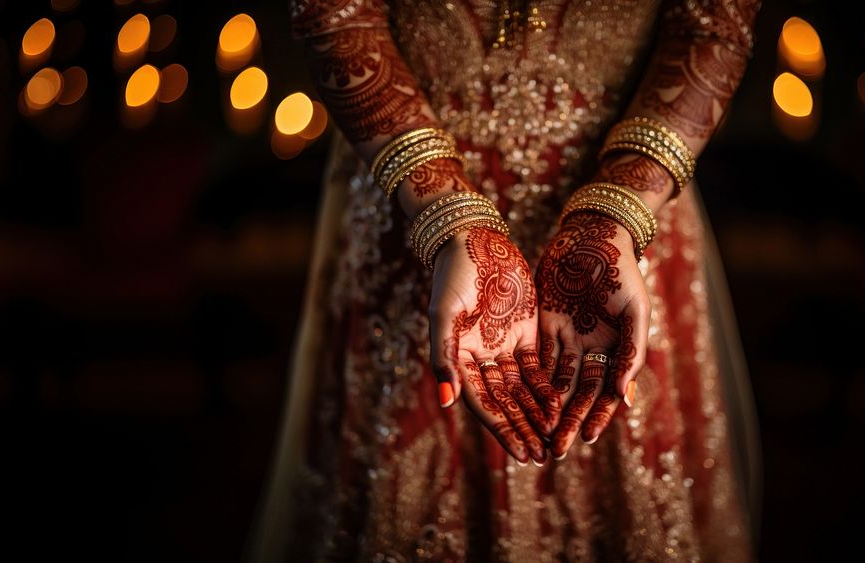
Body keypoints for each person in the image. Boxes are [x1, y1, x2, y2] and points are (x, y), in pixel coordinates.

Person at [249, 0, 763, 560]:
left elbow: (714, 27)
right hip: (412, 213)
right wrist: (447, 215)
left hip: (624, 238)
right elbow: (338, 16)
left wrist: (616, 210)